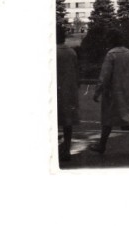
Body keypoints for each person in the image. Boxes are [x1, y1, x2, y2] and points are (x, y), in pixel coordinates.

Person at [89, 29, 129, 156]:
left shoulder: (111, 54)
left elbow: (104, 75)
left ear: (111, 40)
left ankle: (102, 145)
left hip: (113, 92)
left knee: (108, 118)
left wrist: (97, 92)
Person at [56, 24, 79, 162]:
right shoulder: (71, 52)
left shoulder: (51, 51)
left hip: (55, 91)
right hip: (69, 92)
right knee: (67, 122)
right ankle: (67, 149)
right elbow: (77, 73)